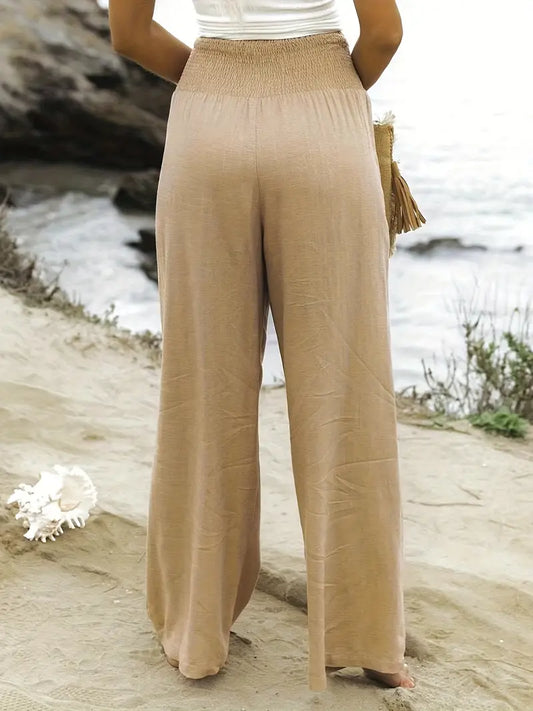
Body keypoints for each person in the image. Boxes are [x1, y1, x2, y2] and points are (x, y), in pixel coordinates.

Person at [108, 0, 415, 693]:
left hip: (206, 124)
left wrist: (218, 76)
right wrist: (320, 89)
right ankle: (368, 639)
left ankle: (197, 630)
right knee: (345, 389)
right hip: (322, 125)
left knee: (202, 387)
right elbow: (384, 34)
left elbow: (128, 33)